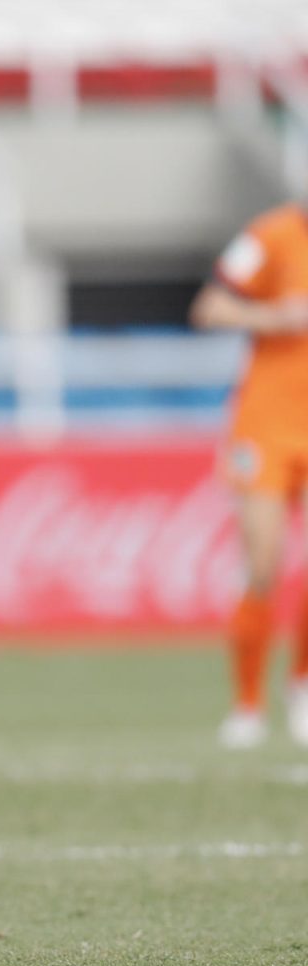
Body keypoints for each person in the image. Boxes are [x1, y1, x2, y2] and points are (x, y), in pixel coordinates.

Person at [192, 207, 308, 748]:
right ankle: (248, 705)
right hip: (267, 427)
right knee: (262, 564)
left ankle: (301, 689)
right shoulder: (270, 237)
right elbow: (210, 307)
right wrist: (277, 317)